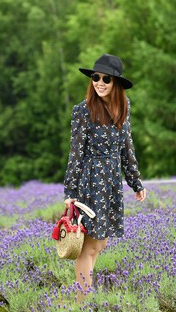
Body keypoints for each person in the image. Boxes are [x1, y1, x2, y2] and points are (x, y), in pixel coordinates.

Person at [63, 53, 146, 299]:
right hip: (89, 183)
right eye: (95, 77)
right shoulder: (83, 110)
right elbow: (75, 153)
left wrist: (135, 181)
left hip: (110, 184)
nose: (99, 82)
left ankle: (85, 298)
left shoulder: (123, 108)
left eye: (105, 79)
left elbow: (126, 148)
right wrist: (70, 192)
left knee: (99, 245)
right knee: (87, 249)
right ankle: (83, 301)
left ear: (116, 83)